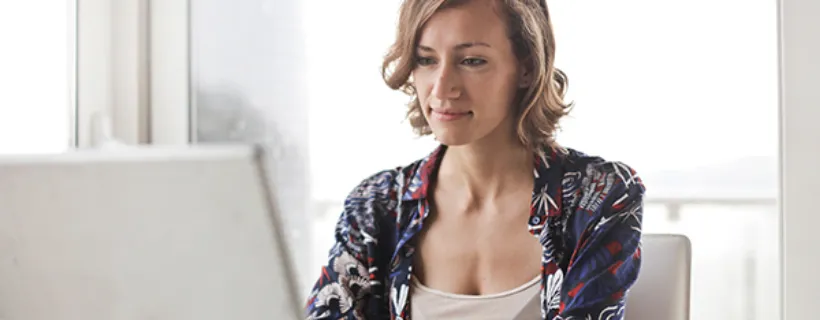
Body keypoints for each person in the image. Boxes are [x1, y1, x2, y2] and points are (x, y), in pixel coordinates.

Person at [305, 0, 645, 319]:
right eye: (426, 60)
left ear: (526, 67)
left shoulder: (599, 196)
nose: (441, 88)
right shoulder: (377, 205)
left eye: (472, 61)